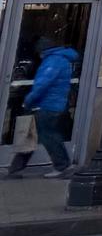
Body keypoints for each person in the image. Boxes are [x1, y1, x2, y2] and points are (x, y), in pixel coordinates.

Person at [19, 37, 78, 178]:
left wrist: (29, 100)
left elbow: (43, 84)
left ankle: (62, 165)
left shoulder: (53, 61)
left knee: (48, 135)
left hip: (48, 104)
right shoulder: (61, 59)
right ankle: (18, 165)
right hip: (55, 104)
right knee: (46, 134)